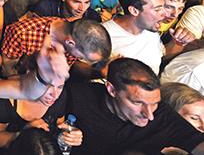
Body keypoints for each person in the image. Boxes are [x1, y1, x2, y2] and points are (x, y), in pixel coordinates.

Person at [65, 58, 204, 155]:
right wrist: (61, 132)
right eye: (138, 103)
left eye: (154, 103)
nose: (149, 115)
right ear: (112, 90)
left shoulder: (162, 114)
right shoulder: (77, 96)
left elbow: (197, 142)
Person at [103, 0, 195, 74]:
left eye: (163, 8)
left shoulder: (151, 30)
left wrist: (178, 43)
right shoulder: (104, 35)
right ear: (134, 10)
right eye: (157, 9)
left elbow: (162, 54)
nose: (164, 14)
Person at [0, 75, 82, 154]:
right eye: (48, 86)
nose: (55, 95)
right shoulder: (5, 95)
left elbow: (59, 125)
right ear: (31, 75)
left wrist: (68, 135)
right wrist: (26, 134)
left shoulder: (60, 97)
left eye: (60, 87)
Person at [1, 17, 111, 76]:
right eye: (82, 57)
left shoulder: (74, 36)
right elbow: (8, 69)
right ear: (70, 43)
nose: (80, 59)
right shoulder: (23, 33)